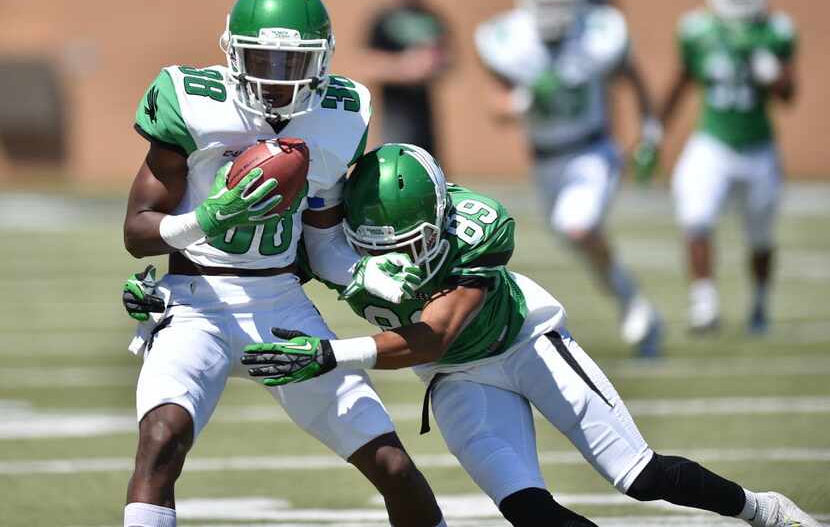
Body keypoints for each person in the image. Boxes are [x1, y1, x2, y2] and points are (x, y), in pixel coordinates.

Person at [241, 143, 821, 527]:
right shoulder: (330, 247)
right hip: (458, 378)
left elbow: (433, 335)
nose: (402, 258)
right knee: (530, 513)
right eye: (382, 249)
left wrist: (328, 354)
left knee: (639, 476)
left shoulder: (477, 227)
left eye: (413, 241)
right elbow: (252, 277)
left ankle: (762, 510)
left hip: (524, 341)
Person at [120, 0, 445, 527]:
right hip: (195, 299)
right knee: (162, 438)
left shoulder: (341, 115)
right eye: (262, 58)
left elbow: (320, 245)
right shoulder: (192, 101)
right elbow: (137, 231)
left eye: (294, 62)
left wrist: (366, 274)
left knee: (391, 464)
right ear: (231, 52)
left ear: (322, 62)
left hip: (279, 301)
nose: (276, 77)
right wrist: (209, 218)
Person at [474, 0, 663, 356]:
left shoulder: (597, 33)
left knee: (577, 226)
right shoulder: (510, 40)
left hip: (592, 150)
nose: (552, 14)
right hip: (546, 162)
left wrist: (650, 129)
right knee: (574, 235)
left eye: (560, 4)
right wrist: (523, 101)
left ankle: (634, 306)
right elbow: (496, 105)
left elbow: (630, 75)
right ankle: (633, 301)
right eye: (545, 5)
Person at [660, 0, 797, 334]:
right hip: (713, 140)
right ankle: (704, 306)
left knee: (761, 235)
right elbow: (682, 79)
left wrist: (774, 74)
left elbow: (788, 94)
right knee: (696, 215)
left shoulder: (776, 31)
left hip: (759, 145)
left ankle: (760, 304)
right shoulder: (698, 31)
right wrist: (655, 129)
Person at [364, 0, 451, 157]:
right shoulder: (383, 20)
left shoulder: (432, 18)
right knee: (398, 161)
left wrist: (435, 65)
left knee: (431, 165)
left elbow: (449, 58)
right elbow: (369, 63)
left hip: (425, 111)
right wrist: (405, 67)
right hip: (395, 112)